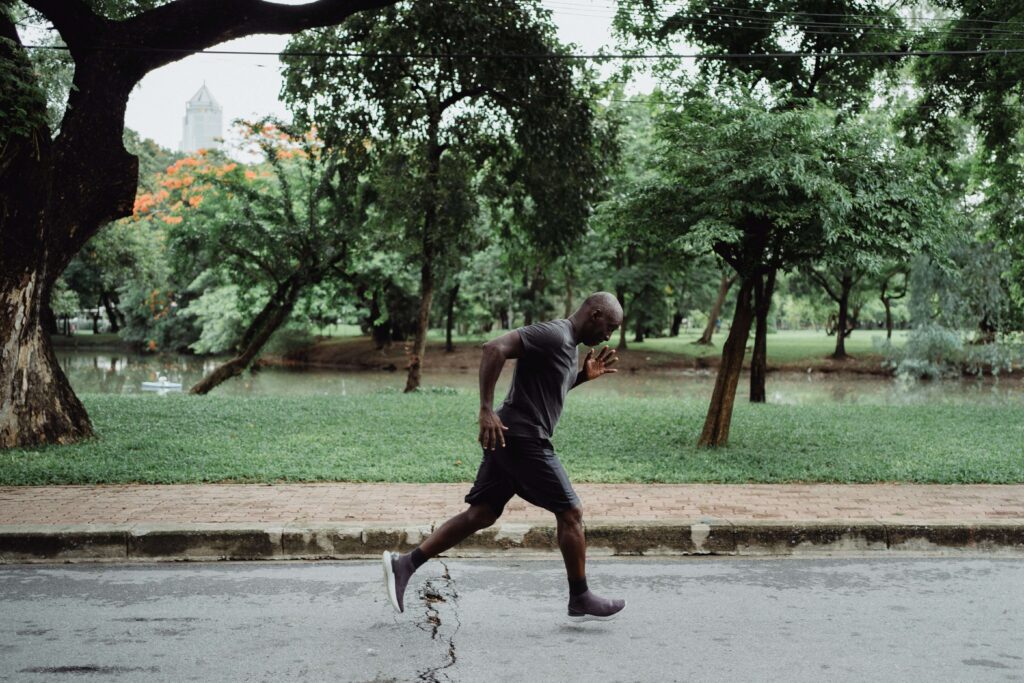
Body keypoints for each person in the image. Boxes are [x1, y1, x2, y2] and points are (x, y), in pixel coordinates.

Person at [383, 292, 627, 622]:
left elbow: (547, 389)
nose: (609, 336)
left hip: (512, 437)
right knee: (571, 512)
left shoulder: (568, 347)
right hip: (523, 438)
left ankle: (405, 564)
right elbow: (493, 348)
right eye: (610, 327)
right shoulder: (554, 334)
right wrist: (484, 409)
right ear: (595, 314)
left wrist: (582, 377)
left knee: (481, 514)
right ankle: (580, 596)